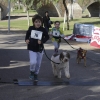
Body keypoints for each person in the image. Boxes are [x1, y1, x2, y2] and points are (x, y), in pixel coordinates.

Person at [25, 14, 49, 81]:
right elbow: (27, 34)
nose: (38, 23)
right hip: (32, 48)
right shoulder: (31, 28)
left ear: (41, 22)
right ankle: (32, 72)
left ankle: (36, 74)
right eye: (36, 22)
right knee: (33, 62)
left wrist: (42, 41)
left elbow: (47, 37)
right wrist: (26, 39)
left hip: (39, 49)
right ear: (33, 22)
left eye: (39, 22)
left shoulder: (43, 29)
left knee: (38, 63)